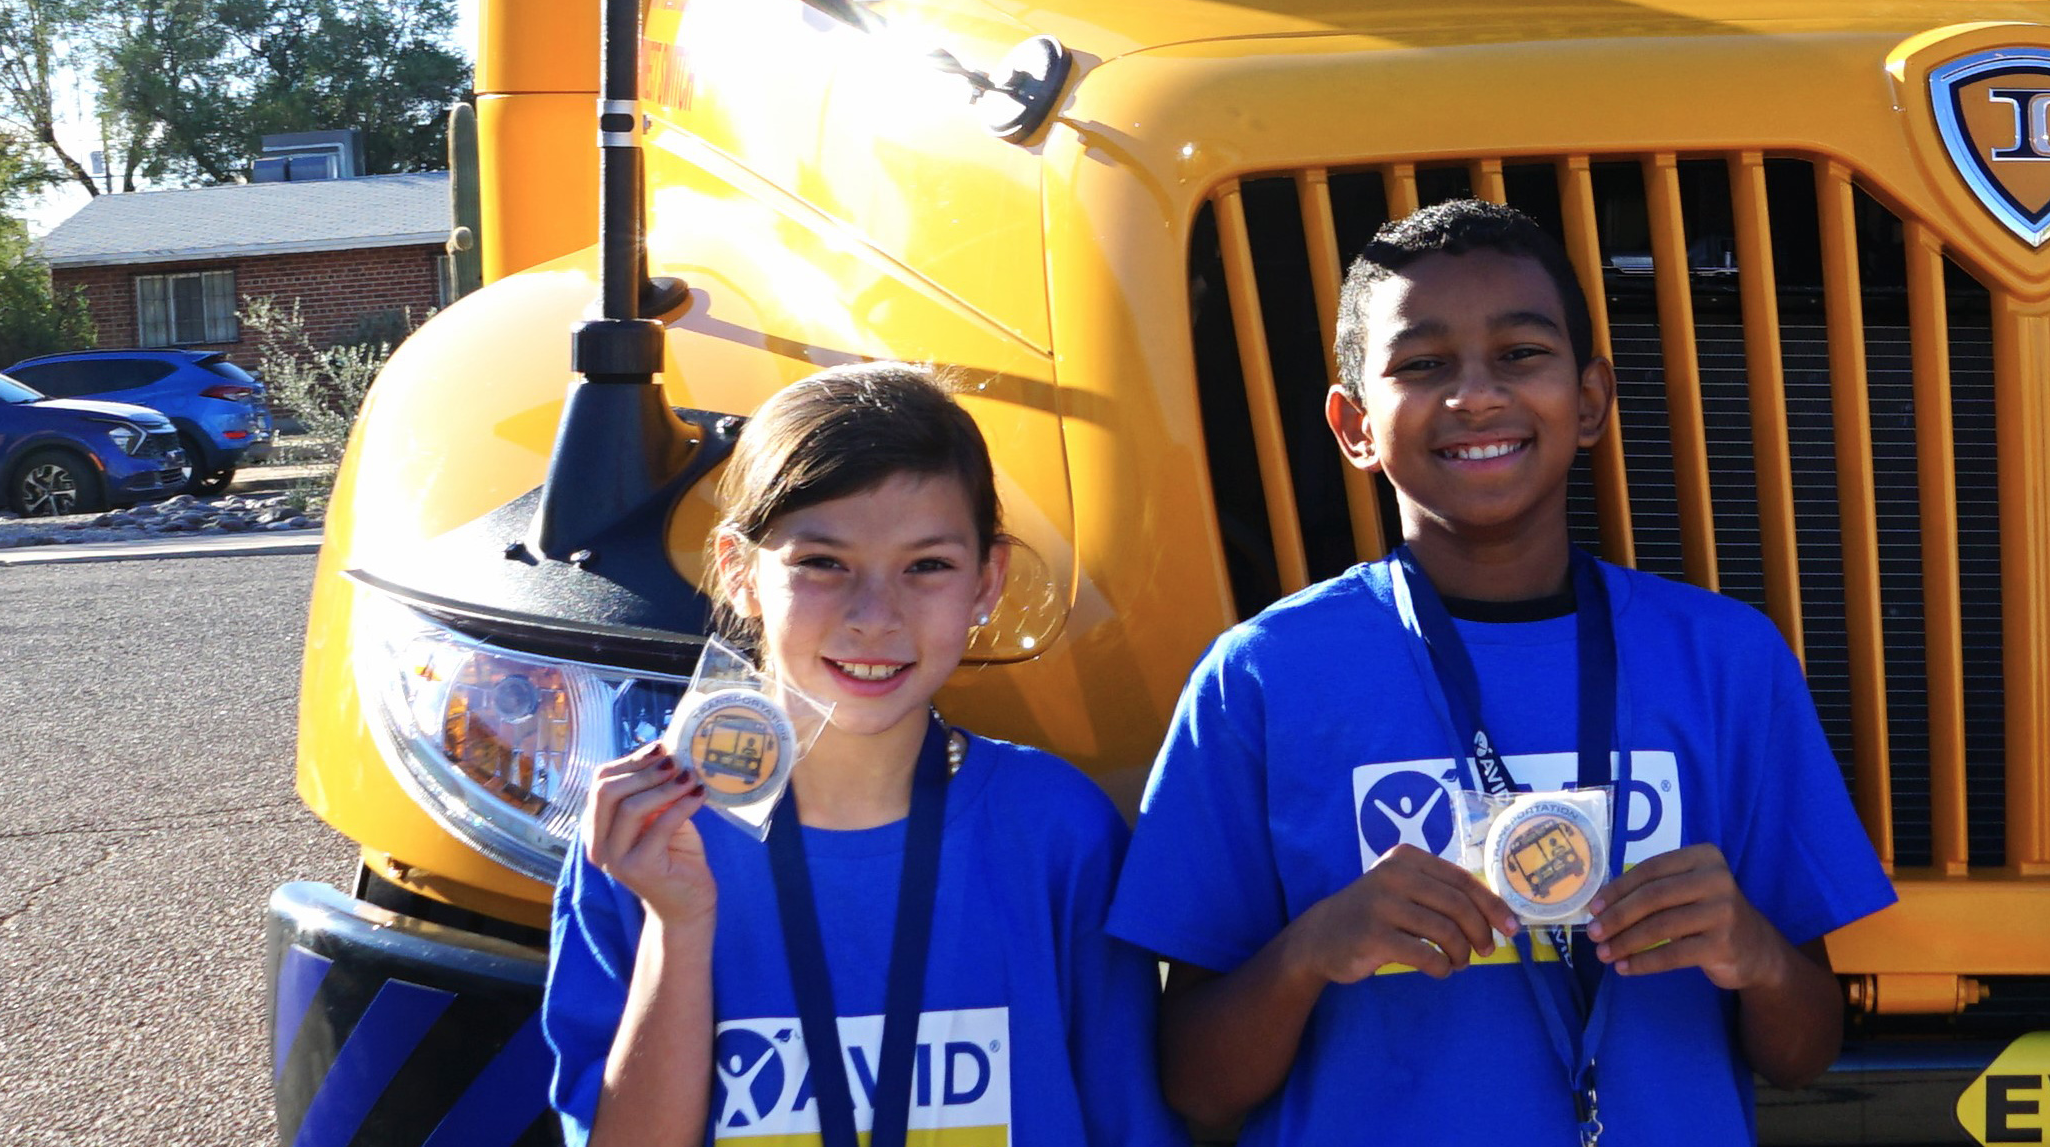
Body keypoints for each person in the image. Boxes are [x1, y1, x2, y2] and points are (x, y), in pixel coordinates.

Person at [1117, 197, 1891, 1146]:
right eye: (1422, 364)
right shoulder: (1264, 678)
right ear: (1354, 423)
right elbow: (1192, 1084)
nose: (1475, 395)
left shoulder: (1725, 660)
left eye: (1521, 354)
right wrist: (1312, 951)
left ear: (1592, 400)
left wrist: (1756, 955)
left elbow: (1804, 1050)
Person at [551, 361, 1170, 1147]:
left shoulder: (1055, 828)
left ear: (987, 578)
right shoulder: (648, 837)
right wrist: (678, 924)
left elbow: (1126, 1120)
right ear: (739, 570)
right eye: (823, 562)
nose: (875, 616)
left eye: (927, 566)